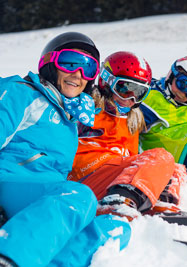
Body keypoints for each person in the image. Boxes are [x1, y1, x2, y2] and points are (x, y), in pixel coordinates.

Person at [0, 32, 131, 267]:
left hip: (44, 199)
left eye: (88, 69)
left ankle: (26, 257)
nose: (78, 75)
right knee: (79, 195)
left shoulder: (70, 118)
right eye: (70, 63)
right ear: (50, 64)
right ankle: (9, 259)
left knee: (116, 229)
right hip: (8, 185)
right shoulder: (22, 92)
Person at [68, 51, 186, 217]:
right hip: (83, 179)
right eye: (124, 89)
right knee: (159, 156)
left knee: (176, 169)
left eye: (139, 93)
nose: (130, 98)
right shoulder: (86, 108)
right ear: (106, 81)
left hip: (112, 179)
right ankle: (118, 200)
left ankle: (156, 202)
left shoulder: (132, 120)